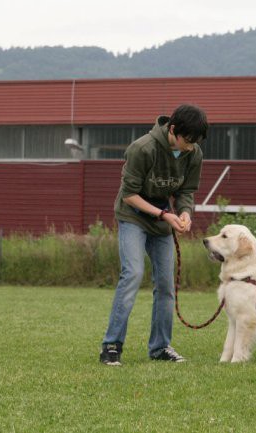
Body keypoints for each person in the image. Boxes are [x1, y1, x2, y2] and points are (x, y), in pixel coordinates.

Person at [99, 104, 209, 366]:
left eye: (196, 142)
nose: (191, 147)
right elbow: (129, 195)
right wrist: (163, 215)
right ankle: (111, 345)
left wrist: (184, 213)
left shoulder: (193, 153)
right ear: (173, 130)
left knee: (166, 284)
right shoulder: (142, 148)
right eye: (188, 140)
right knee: (133, 274)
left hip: (162, 220)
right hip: (133, 216)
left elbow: (186, 192)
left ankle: (160, 347)